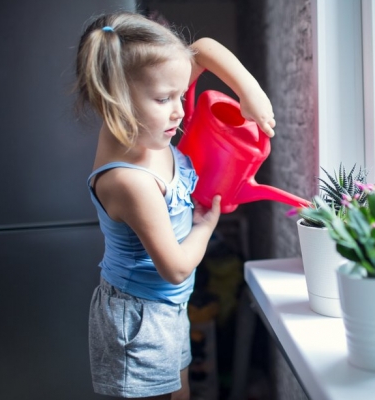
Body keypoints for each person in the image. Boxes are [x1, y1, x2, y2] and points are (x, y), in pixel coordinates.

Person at [75, 11, 275, 400]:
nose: (180, 110)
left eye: (179, 93)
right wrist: (205, 224)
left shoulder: (145, 125)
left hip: (168, 310)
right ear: (114, 101)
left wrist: (251, 93)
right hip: (140, 321)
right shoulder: (130, 181)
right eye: (164, 98)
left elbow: (201, 50)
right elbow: (176, 268)